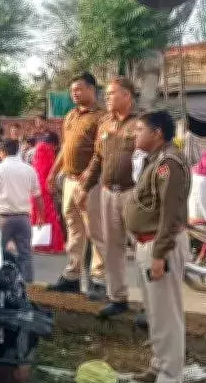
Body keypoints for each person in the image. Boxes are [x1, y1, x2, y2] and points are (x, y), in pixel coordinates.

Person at [123, 111, 189, 383]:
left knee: (166, 316)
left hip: (160, 246)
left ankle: (170, 381)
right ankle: (160, 366)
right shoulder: (156, 160)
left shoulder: (168, 164)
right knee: (154, 313)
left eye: (140, 129)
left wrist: (160, 255)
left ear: (157, 133)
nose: (134, 134)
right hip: (148, 243)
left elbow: (170, 215)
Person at [75, 76, 140, 317]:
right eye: (107, 94)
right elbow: (97, 159)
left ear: (127, 96)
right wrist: (85, 188)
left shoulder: (140, 124)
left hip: (133, 193)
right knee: (112, 248)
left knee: (143, 248)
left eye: (113, 93)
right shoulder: (105, 123)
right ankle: (117, 297)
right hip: (108, 193)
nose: (107, 98)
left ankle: (150, 305)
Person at [46, 73, 107, 297]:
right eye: (72, 90)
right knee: (73, 229)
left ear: (92, 89)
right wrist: (53, 172)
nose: (75, 93)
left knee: (96, 230)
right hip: (70, 180)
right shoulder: (71, 116)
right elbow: (65, 148)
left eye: (79, 89)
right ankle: (72, 275)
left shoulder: (101, 117)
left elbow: (101, 151)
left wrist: (88, 176)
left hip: (90, 182)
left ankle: (99, 279)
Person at [0, 139, 42, 282]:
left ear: (2, 152)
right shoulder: (29, 169)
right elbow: (38, 196)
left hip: (4, 218)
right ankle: (26, 284)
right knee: (25, 254)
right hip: (23, 218)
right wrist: (41, 216)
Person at [32, 140, 65, 253]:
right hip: (46, 191)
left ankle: (38, 242)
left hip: (37, 192)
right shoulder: (50, 159)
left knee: (38, 215)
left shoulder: (37, 162)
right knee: (49, 216)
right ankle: (50, 242)